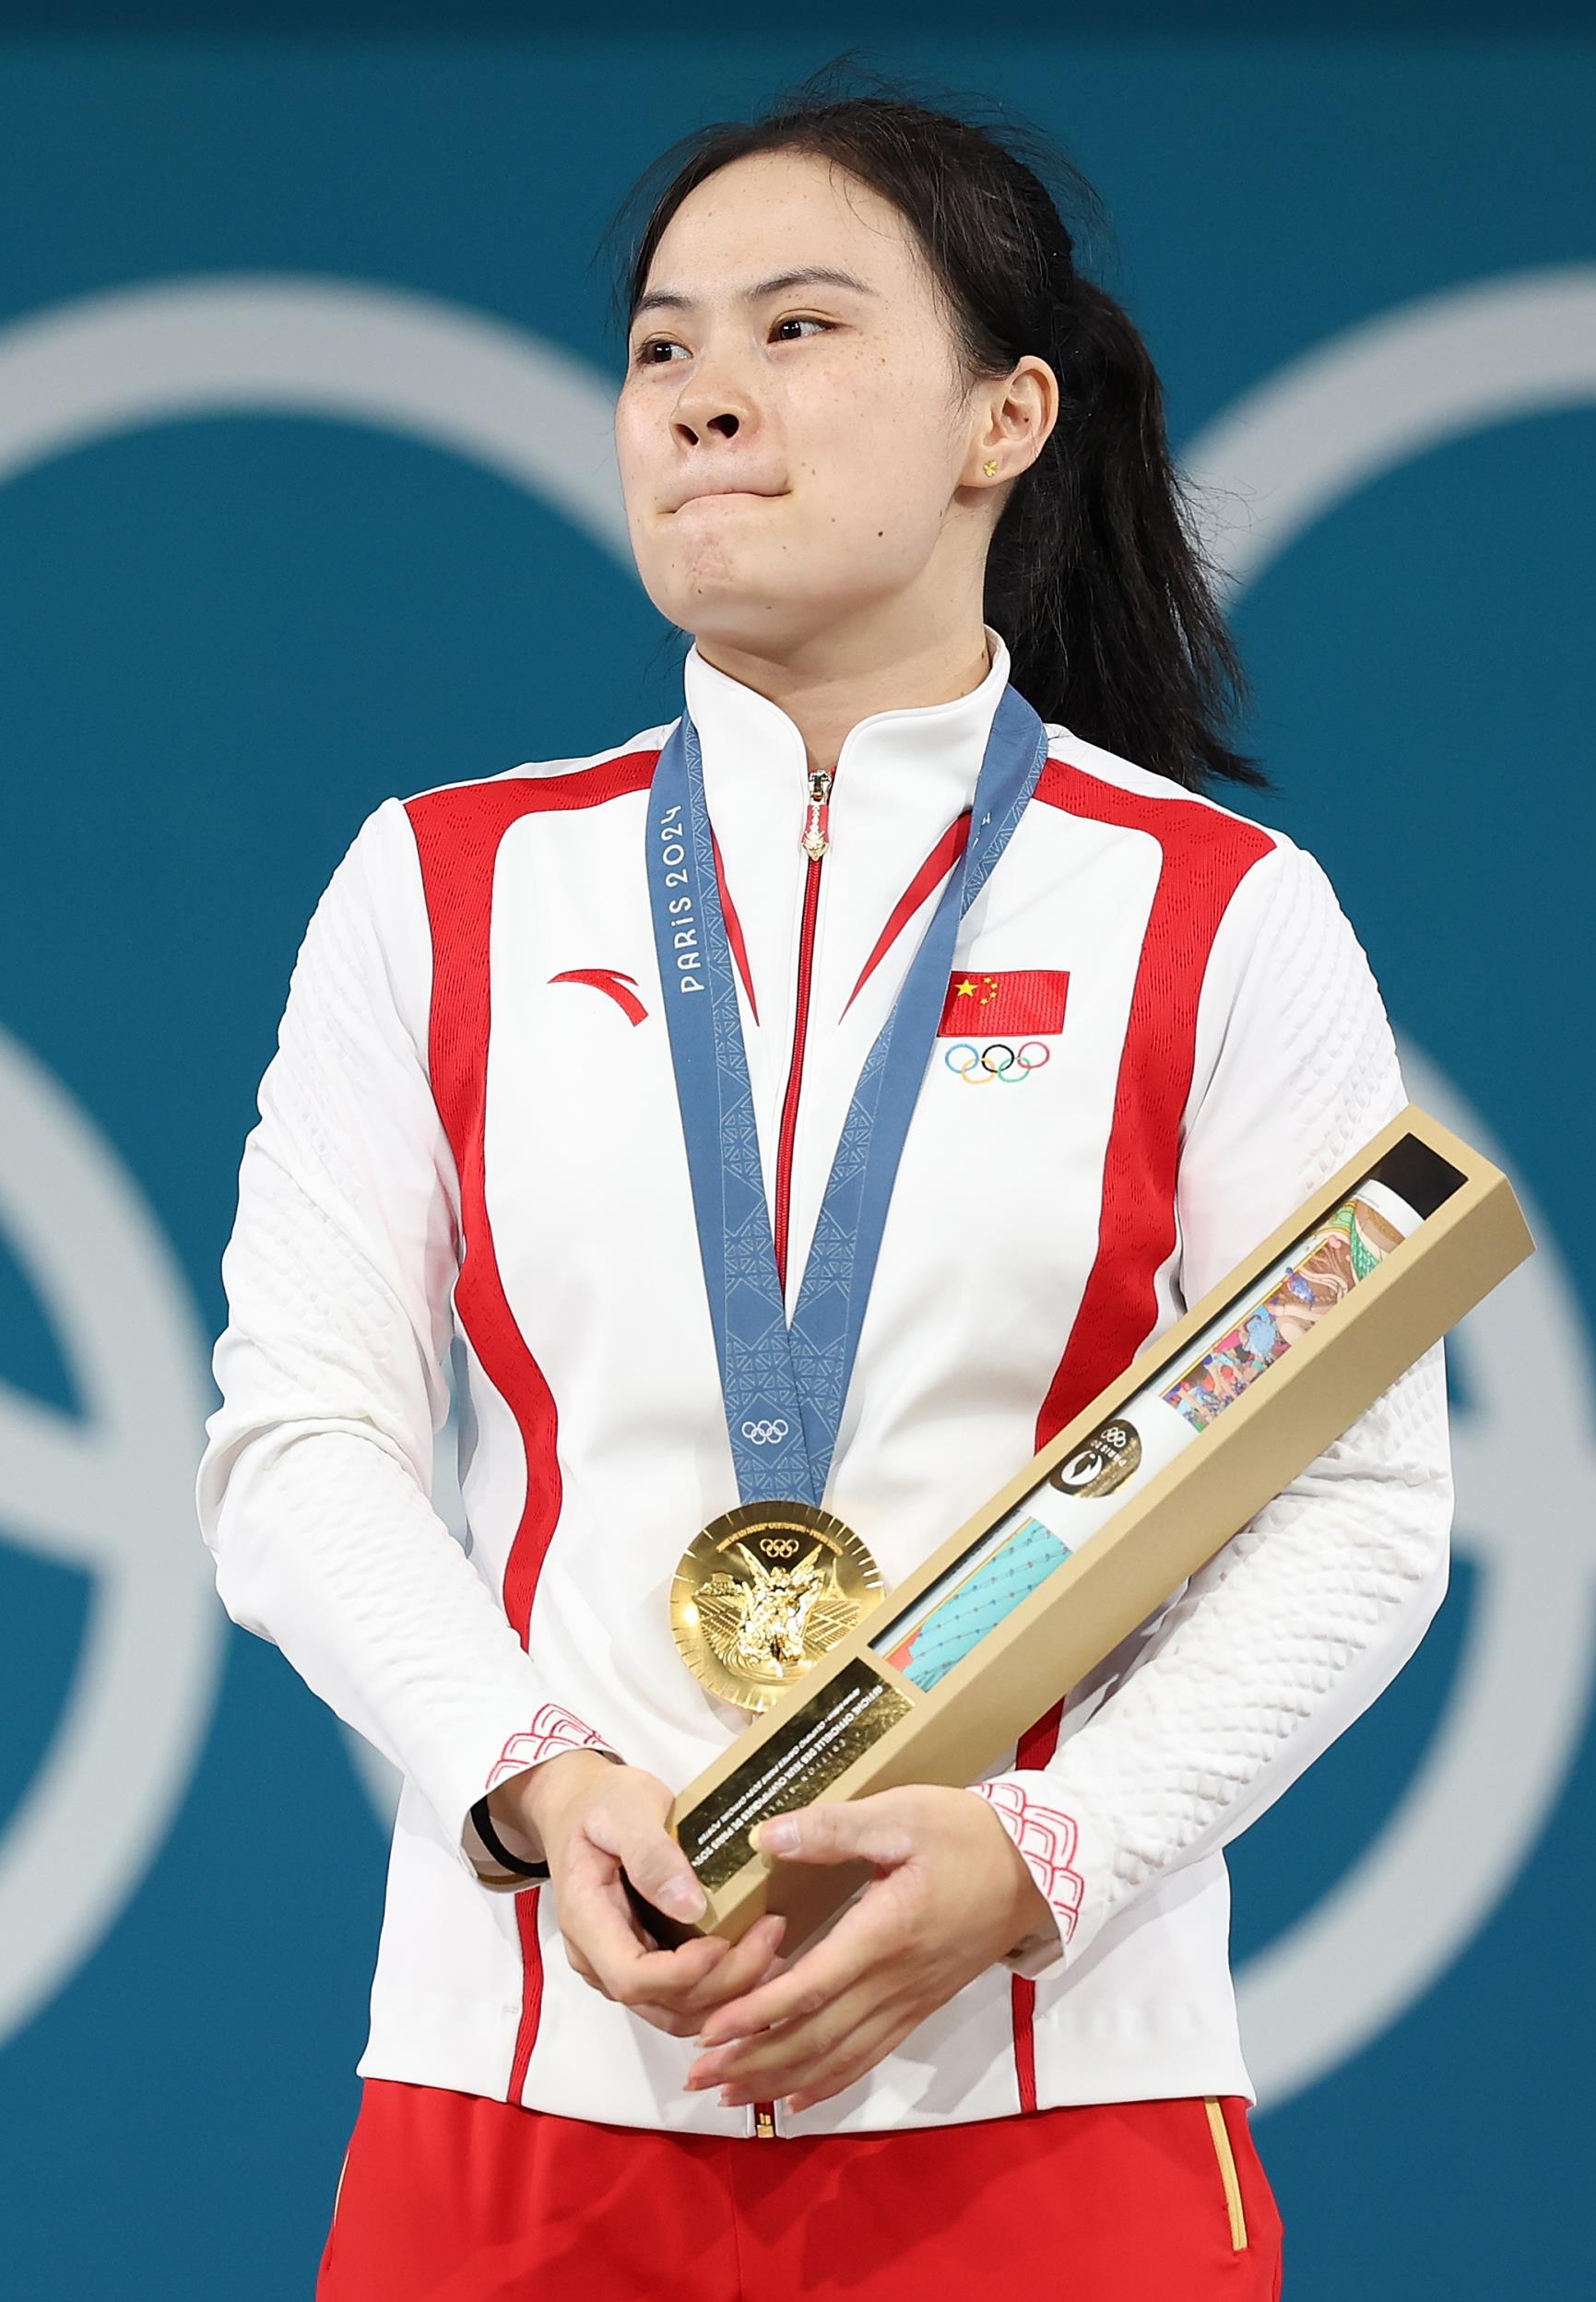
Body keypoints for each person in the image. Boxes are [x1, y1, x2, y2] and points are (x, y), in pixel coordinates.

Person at [196, 65, 1452, 2302]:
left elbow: (1358, 1501)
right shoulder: (444, 887)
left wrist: (1050, 1850)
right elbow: (299, 1438)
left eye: (798, 329)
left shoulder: (1219, 915)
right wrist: (535, 1774)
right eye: (660, 346)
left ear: (1006, 418)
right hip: (521, 2094)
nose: (703, 395)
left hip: (1045, 2103)